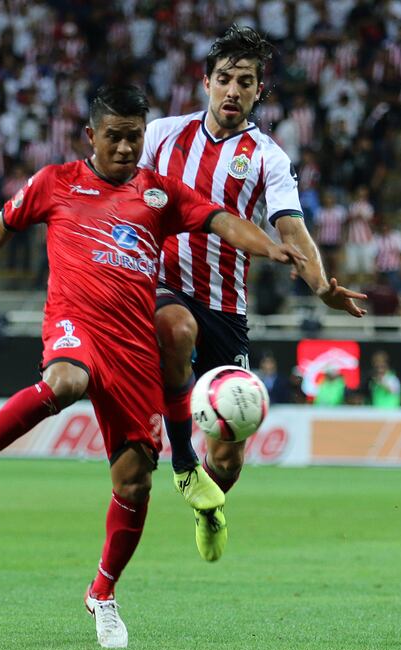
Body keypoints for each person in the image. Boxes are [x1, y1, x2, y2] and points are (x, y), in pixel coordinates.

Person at [0, 85, 306, 649]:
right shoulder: (55, 183)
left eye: (134, 137)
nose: (123, 147)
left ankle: (103, 593)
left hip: (134, 349)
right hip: (75, 325)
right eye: (113, 136)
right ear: (91, 136)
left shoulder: (159, 195)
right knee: (65, 381)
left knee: (135, 482)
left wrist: (270, 248)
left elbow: (219, 222)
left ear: (145, 135)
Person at [137, 26, 366, 562]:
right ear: (205, 82)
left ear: (259, 89)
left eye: (245, 81)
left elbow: (291, 230)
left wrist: (321, 285)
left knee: (233, 453)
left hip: (226, 304)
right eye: (224, 79)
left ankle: (209, 505)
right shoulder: (162, 136)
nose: (232, 90)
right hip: (161, 284)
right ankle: (181, 463)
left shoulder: (267, 156)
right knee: (176, 329)